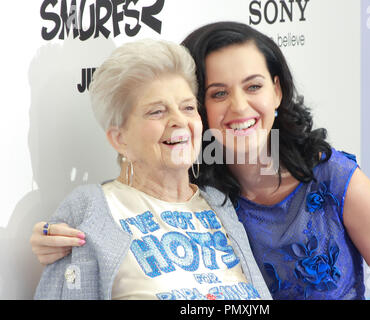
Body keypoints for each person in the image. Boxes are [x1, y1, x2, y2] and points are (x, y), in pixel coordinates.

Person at [31, 22, 370, 300]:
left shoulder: (330, 177)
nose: (239, 107)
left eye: (253, 86)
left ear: (277, 91)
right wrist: (60, 239)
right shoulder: (209, 192)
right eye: (218, 93)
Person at [32, 38, 272, 300]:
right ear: (119, 138)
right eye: (157, 111)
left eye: (188, 108)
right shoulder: (90, 209)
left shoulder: (219, 203)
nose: (180, 121)